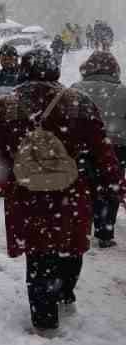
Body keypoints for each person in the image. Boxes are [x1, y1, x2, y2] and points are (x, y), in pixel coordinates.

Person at [0, 48, 122, 333]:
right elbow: (101, 148)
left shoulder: (8, 105)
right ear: (55, 70)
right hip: (70, 192)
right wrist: (114, 182)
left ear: (24, 70)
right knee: (70, 247)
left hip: (27, 194)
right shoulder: (78, 102)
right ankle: (65, 294)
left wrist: (2, 181)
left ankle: (44, 319)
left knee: (38, 255)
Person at [72, 51, 126, 247]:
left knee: (85, 186)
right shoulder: (123, 91)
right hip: (116, 147)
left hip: (84, 146)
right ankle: (105, 231)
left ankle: (84, 225)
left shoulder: (76, 90)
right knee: (111, 186)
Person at [0, 44, 21, 127]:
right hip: (1, 121)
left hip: (20, 120)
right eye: (2, 59)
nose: (5, 62)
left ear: (16, 58)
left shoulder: (23, 74)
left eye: (9, 59)